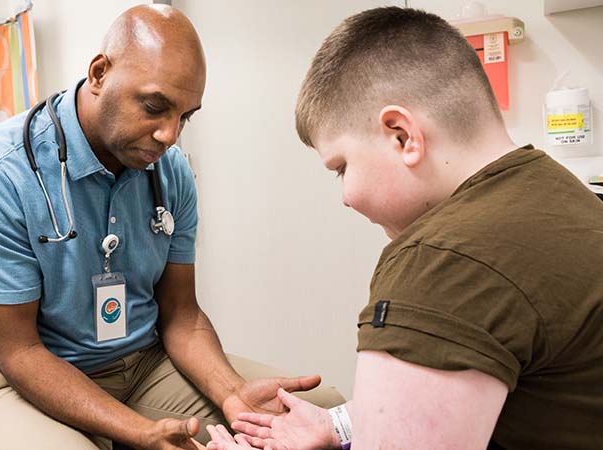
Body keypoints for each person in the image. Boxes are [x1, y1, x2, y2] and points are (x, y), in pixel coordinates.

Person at [0, 4, 343, 450]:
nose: (170, 134)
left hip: (143, 366)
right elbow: (20, 353)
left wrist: (232, 394)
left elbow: (182, 316)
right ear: (99, 73)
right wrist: (138, 432)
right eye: (155, 107)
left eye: (185, 116)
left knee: (318, 416)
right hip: (12, 382)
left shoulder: (170, 174)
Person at [207, 6, 603, 450]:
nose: (346, 197)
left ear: (401, 135)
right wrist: (342, 428)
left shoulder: (443, 260)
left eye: (342, 168)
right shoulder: (561, 193)